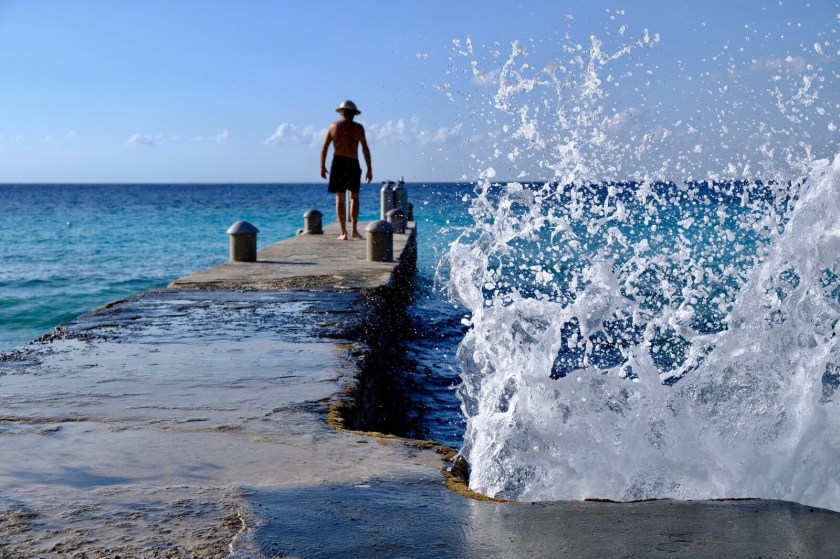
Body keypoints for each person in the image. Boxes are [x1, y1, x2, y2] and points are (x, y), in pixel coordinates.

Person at [320, 100, 372, 240]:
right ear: (353, 114)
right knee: (352, 198)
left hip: (339, 163)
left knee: (342, 198)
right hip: (351, 162)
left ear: (342, 112)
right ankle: (351, 231)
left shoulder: (334, 126)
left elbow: (325, 148)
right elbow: (365, 149)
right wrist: (369, 169)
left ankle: (345, 232)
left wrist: (322, 166)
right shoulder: (358, 128)